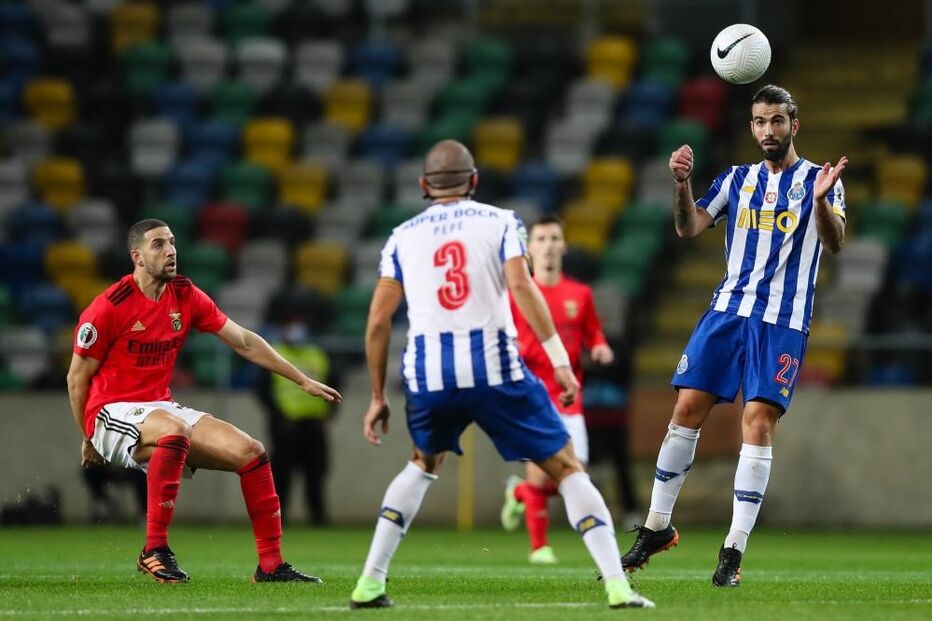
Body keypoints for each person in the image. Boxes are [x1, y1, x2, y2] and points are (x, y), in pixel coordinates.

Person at [348, 140, 654, 610]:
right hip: (496, 371)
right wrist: (557, 360)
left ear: (423, 185)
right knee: (568, 467)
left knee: (422, 463)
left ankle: (369, 583)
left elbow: (376, 321)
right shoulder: (500, 221)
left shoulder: (400, 237)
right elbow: (521, 286)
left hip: (430, 377)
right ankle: (617, 586)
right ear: (473, 181)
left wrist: (375, 395)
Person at [620, 85, 847, 587]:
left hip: (782, 323)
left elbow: (833, 243)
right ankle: (657, 526)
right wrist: (682, 185)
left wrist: (822, 203)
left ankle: (732, 550)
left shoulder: (820, 179)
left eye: (777, 121)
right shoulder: (736, 180)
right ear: (751, 128)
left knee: (757, 423)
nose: (768, 130)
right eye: (760, 122)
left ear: (794, 125)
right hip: (726, 313)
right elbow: (689, 226)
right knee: (683, 411)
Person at [66, 219, 342, 584]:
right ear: (137, 257)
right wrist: (88, 438)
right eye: (159, 244)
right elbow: (76, 378)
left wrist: (301, 379)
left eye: (173, 243)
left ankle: (271, 566)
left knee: (252, 452)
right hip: (109, 412)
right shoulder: (108, 308)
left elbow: (242, 340)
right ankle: (154, 550)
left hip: (160, 408)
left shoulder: (185, 295)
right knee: (174, 431)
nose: (170, 251)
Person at [499, 215, 616, 565]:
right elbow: (504, 338)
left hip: (570, 399)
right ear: (530, 249)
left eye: (554, 238)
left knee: (572, 476)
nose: (548, 245)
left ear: (563, 246)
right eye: (541, 239)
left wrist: (600, 347)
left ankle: (518, 492)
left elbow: (593, 332)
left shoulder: (579, 294)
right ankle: (540, 548)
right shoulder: (519, 294)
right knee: (540, 471)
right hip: (533, 397)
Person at [255, 318, 334, 526]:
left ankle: (318, 518)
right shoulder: (274, 355)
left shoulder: (316, 354)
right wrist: (278, 416)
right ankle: (279, 518)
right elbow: (263, 390)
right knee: (281, 474)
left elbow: (334, 383)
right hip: (285, 426)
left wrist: (329, 414)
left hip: (314, 424)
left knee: (315, 473)